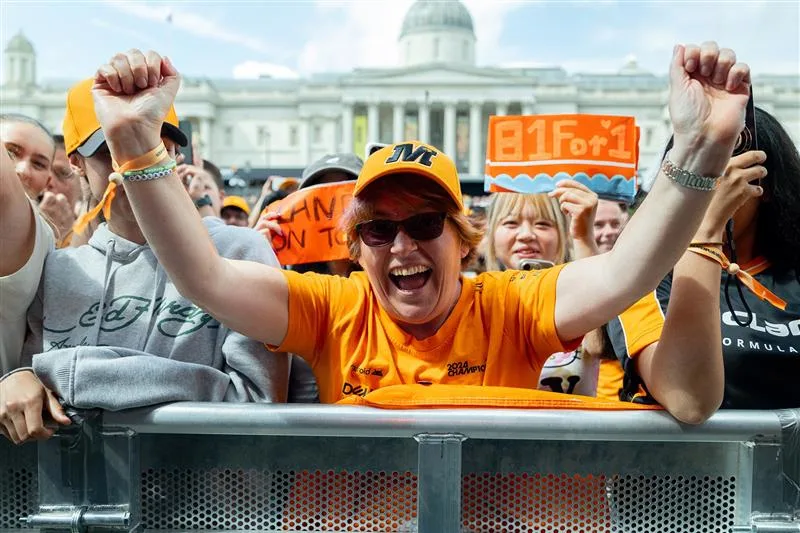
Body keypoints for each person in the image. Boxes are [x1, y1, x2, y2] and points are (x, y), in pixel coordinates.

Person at [92, 44, 749, 413]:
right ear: (356, 248)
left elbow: (623, 271)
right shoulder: (333, 311)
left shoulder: (511, 307)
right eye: (377, 229)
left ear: (464, 240)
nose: (402, 245)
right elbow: (202, 277)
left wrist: (697, 150)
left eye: (425, 222)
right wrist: (136, 149)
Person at [0, 78, 289, 444]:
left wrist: (77, 376)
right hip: (79, 499)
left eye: (150, 146)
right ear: (75, 163)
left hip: (208, 498)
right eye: (110, 149)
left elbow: (259, 405)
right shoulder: (58, 271)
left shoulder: (241, 250)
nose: (129, 165)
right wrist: (16, 379)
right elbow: (32, 396)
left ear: (175, 156)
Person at [612, 106, 800, 410]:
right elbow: (686, 398)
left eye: (717, 176)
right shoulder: (640, 277)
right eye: (690, 179)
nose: (701, 193)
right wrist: (706, 230)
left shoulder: (792, 274)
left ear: (763, 185)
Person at [483, 184, 665, 399]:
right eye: (511, 223)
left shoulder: (575, 292)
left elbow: (596, 345)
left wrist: (583, 238)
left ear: (562, 234)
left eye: (542, 224)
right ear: (492, 233)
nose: (526, 234)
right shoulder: (469, 297)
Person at [256, 153, 364, 403]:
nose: (335, 211)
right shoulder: (287, 284)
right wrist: (257, 254)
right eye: (321, 198)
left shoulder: (394, 286)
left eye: (345, 193)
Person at [0, 114, 56, 375]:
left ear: (48, 181)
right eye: (11, 152)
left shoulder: (38, 232)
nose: (22, 170)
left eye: (39, 163)